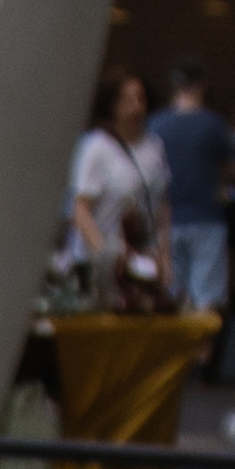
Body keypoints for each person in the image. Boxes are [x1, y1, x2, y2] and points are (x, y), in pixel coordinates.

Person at [147, 57, 235, 445]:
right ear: (201, 86)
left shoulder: (156, 125)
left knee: (173, 290)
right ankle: (202, 358)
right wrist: (234, 190)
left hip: (169, 215)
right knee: (207, 293)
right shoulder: (214, 126)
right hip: (207, 215)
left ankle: (177, 358)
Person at [61, 66, 164, 303]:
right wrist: (103, 255)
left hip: (139, 260)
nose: (137, 107)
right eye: (128, 101)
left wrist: (163, 256)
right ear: (113, 106)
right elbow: (81, 209)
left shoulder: (153, 147)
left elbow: (161, 206)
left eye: (141, 98)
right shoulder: (97, 148)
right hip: (103, 263)